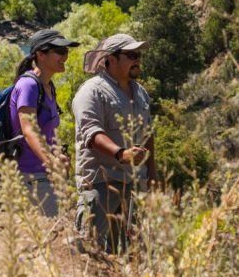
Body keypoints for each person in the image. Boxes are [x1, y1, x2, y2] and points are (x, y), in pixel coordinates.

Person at [72, 33, 157, 252]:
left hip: (135, 185)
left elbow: (148, 134)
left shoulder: (141, 93)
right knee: (89, 250)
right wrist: (121, 153)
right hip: (101, 183)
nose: (137, 60)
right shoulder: (91, 91)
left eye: (138, 55)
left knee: (131, 253)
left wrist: (152, 174)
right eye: (131, 55)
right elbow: (91, 133)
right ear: (111, 59)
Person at [9, 28, 79, 217]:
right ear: (40, 54)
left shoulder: (47, 86)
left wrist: (58, 155)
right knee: (53, 231)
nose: (65, 56)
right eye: (60, 51)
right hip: (31, 176)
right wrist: (52, 162)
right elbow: (29, 130)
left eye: (66, 51)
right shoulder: (29, 85)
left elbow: (47, 133)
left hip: (46, 176)